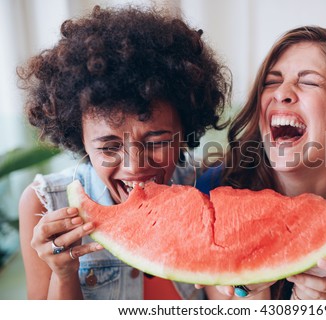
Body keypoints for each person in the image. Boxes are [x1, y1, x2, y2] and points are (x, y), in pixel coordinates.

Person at [17, 5, 230, 299]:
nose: (135, 166)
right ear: (80, 139)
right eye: (109, 147)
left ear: (184, 131)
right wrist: (64, 273)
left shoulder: (206, 188)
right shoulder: (44, 202)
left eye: (157, 141)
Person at [196, 26, 326, 299]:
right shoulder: (213, 193)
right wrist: (246, 294)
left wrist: (318, 304)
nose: (282, 93)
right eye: (272, 81)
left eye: (309, 82)